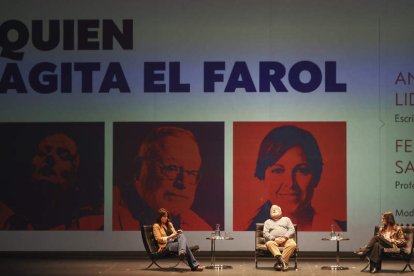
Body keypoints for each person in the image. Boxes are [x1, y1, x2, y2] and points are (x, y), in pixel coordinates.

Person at [247, 125, 346, 231]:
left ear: (316, 177)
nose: (290, 183)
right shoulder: (247, 238)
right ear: (263, 176)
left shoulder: (344, 230)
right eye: (278, 171)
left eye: (301, 170)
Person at [113, 126, 211, 230]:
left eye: (192, 173)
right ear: (139, 169)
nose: (183, 184)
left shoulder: (202, 228)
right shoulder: (102, 221)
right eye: (171, 168)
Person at [0, 132, 103, 230]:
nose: (50, 157)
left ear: (77, 173)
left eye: (63, 155)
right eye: (42, 153)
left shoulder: (95, 224)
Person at [263, 204, 297, 271]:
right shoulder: (267, 222)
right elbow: (265, 233)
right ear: (270, 213)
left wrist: (285, 237)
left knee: (293, 244)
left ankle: (280, 262)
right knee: (269, 243)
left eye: (276, 209)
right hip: (273, 241)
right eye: (272, 210)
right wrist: (274, 239)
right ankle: (284, 263)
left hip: (286, 240)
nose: (274, 210)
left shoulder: (286, 219)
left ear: (281, 211)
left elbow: (292, 229)